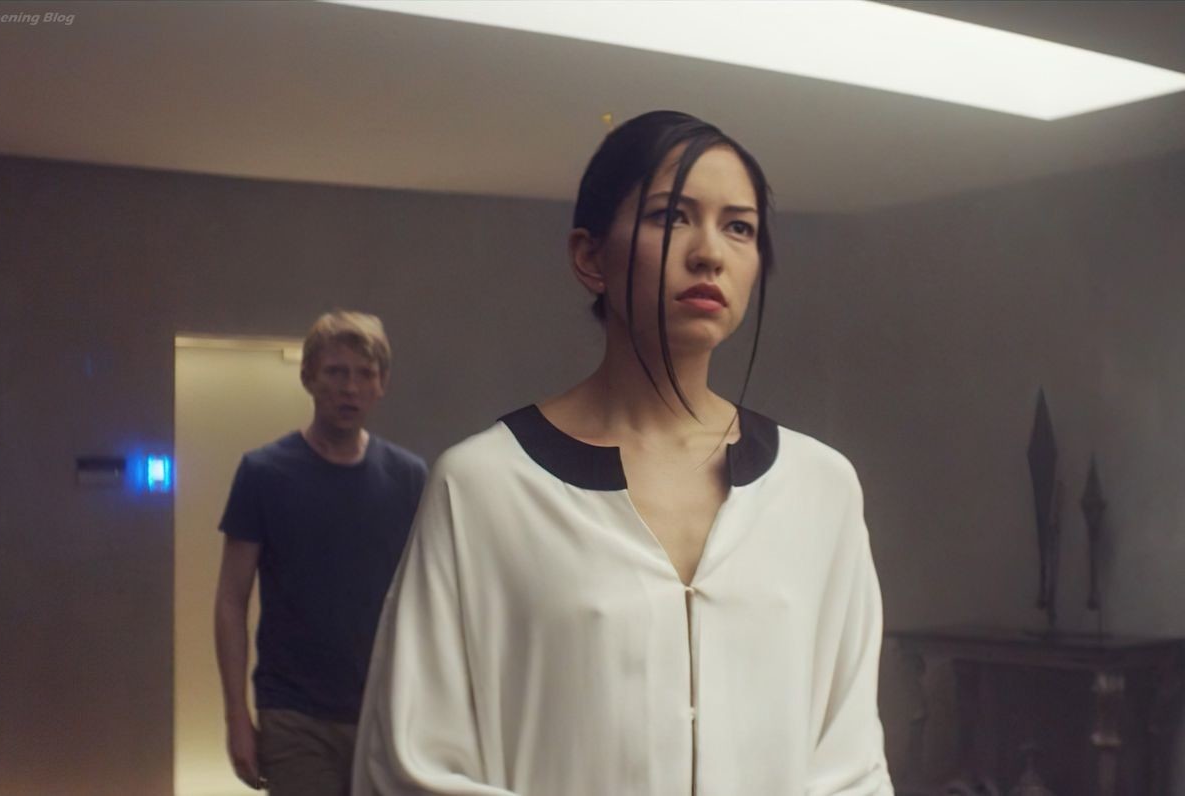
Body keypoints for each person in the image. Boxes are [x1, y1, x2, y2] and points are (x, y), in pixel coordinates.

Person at [352, 111, 893, 795]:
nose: (709, 252)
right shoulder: (485, 486)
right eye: (671, 217)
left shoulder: (819, 488)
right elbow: (411, 764)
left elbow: (851, 765)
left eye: (739, 227)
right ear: (590, 257)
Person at [215, 310, 430, 796]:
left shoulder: (408, 477)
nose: (349, 388)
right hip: (294, 713)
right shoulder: (264, 473)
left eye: (364, 373)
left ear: (381, 384)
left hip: (387, 712)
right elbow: (231, 599)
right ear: (309, 377)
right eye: (335, 372)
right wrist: (236, 716)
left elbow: (428, 597)